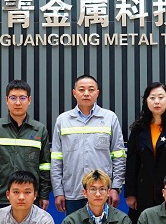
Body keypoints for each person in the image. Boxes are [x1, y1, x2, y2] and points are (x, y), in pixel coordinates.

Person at [51, 75, 126, 215]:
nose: (86, 93)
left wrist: (115, 188)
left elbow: (119, 156)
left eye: (91, 89)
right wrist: (58, 191)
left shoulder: (110, 118)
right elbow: (56, 160)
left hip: (102, 191)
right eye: (81, 89)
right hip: (73, 191)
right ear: (74, 93)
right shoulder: (63, 120)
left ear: (97, 93)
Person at [124, 82, 166, 224]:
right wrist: (130, 193)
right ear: (146, 101)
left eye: (161, 97)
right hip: (145, 189)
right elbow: (132, 163)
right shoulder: (138, 129)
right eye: (152, 98)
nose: (156, 102)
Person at [0, 79, 51, 212]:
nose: (18, 102)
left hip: (30, 197)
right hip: (0, 196)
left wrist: (44, 194)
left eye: (22, 98)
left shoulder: (39, 130)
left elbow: (45, 166)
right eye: (13, 98)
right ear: (6, 100)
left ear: (29, 100)